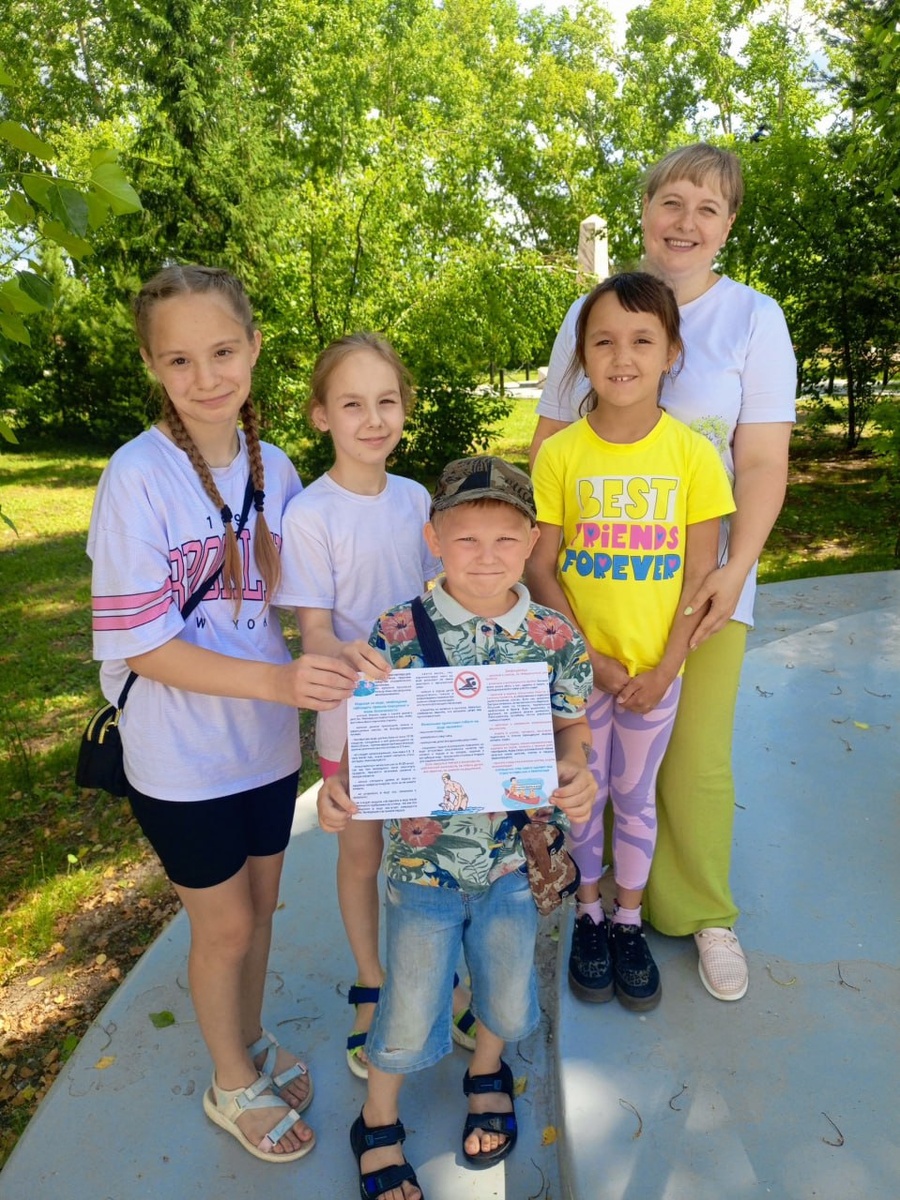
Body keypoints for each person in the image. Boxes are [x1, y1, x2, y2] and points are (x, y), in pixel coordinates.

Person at [87, 265, 359, 1162]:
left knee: (265, 906)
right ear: (151, 365)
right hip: (179, 755)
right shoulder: (136, 477)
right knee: (226, 925)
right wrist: (282, 685)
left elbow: (309, 594)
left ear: (253, 348)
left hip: (265, 747)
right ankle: (229, 1082)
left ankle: (247, 1039)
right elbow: (144, 648)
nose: (205, 377)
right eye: (179, 360)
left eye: (222, 352)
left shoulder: (276, 467)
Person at [529, 143, 796, 1001]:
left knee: (693, 765)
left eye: (707, 208)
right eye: (671, 201)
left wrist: (734, 570)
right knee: (596, 764)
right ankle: (600, 909)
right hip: (595, 595)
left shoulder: (754, 319)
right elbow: (550, 447)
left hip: (702, 585)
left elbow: (763, 462)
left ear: (729, 224)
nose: (686, 222)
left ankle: (703, 913)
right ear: (644, 210)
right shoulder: (589, 312)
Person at [317, 456, 596, 1200]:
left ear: (532, 542)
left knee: (504, 989)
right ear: (434, 538)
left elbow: (571, 727)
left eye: (506, 539)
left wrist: (576, 769)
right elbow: (373, 732)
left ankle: (486, 1072)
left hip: (513, 862)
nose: (486, 556)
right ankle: (377, 1118)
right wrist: (343, 789)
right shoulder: (396, 630)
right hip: (423, 867)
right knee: (408, 1005)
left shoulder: (555, 636)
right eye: (466, 538)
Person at [527, 272, 734, 1011]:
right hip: (580, 677)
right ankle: (587, 912)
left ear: (671, 352)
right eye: (604, 341)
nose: (623, 356)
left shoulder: (694, 456)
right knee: (584, 794)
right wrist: (589, 660)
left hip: (655, 676)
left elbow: (701, 573)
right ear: (582, 355)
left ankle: (627, 920)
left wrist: (668, 665)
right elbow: (541, 568)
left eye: (643, 340)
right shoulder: (560, 455)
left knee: (635, 796)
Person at [277, 333, 476, 1078]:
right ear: (321, 415)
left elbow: (437, 598)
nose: (373, 419)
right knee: (362, 855)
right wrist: (355, 655)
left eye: (386, 401)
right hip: (354, 715)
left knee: (431, 850)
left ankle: (441, 977)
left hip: (423, 711)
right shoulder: (310, 514)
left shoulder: (417, 499)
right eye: (352, 403)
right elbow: (315, 632)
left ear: (404, 409)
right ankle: (372, 981)